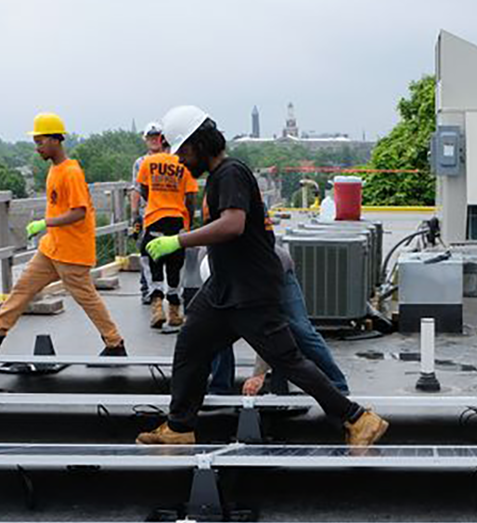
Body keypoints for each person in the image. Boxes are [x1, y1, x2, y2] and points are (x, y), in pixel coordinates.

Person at [138, 105, 385, 446]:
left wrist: (178, 241)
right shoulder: (219, 177)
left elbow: (233, 224)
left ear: (199, 144)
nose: (179, 160)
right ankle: (180, 427)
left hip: (250, 289)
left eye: (182, 151)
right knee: (190, 347)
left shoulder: (230, 173)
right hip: (224, 287)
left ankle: (358, 419)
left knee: (289, 360)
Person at [0, 113, 125, 358]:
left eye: (40, 142)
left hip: (72, 251)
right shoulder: (54, 170)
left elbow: (79, 212)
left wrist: (44, 223)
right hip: (52, 248)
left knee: (87, 299)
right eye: (35, 142)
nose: (37, 148)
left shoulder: (71, 172)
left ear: (55, 140)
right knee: (22, 289)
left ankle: (115, 343)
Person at [209, 242, 350, 395]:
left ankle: (337, 384)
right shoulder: (207, 262)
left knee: (301, 331)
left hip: (276, 271)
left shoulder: (257, 270)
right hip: (239, 275)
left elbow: (267, 325)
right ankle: (219, 387)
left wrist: (259, 374)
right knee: (217, 330)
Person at [133, 121, 197, 329]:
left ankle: (157, 308)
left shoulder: (147, 163)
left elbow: (142, 189)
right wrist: (187, 221)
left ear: (161, 141)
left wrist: (155, 201)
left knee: (151, 262)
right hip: (176, 220)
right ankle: (175, 313)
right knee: (175, 267)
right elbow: (191, 197)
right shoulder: (184, 165)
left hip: (154, 220)